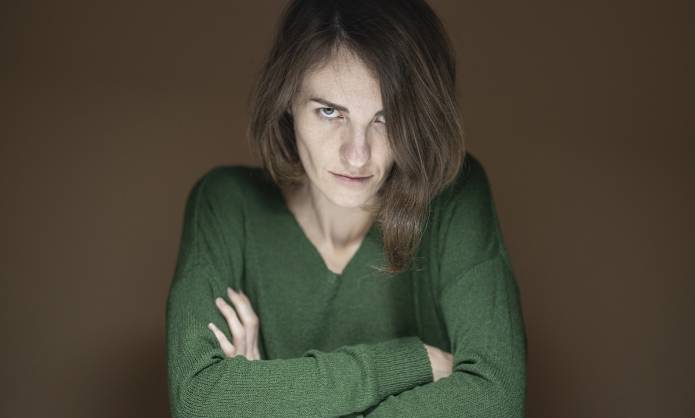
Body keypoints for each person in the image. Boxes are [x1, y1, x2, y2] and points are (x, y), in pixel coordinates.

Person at [165, 0, 527, 416]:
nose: (357, 155)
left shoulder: (454, 194)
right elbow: (199, 400)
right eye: (329, 111)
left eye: (387, 118)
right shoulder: (227, 204)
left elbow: (496, 400)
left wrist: (266, 401)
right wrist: (412, 363)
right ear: (287, 99)